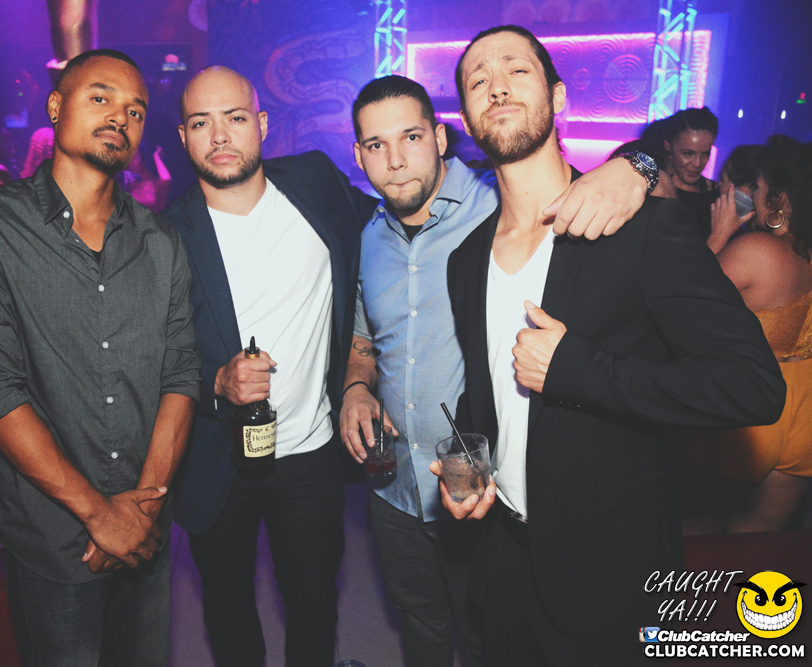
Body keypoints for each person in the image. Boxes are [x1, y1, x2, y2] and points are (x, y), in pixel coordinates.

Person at [431, 25, 785, 665]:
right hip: (502, 565)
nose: (497, 86)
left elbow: (753, 385)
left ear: (558, 97)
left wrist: (577, 369)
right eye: (478, 80)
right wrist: (470, 463)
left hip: (609, 573)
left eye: (516, 70)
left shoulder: (641, 230)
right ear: (467, 117)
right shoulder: (464, 260)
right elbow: (487, 389)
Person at [340, 75, 656, 667]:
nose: (396, 159)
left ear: (440, 138)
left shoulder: (499, 204)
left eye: (411, 136)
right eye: (376, 145)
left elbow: (584, 192)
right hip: (394, 486)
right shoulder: (369, 238)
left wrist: (635, 166)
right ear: (359, 155)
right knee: (420, 623)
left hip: (480, 487)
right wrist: (357, 385)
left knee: (491, 633)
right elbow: (365, 338)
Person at [0, 49, 200, 666]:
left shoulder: (162, 242)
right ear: (56, 107)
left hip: (146, 527)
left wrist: (140, 510)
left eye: (135, 110)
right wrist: (98, 514)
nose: (119, 117)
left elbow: (181, 374)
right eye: (100, 97)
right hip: (53, 534)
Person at [163, 65, 376, 667]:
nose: (219, 136)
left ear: (261, 124)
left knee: (314, 602)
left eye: (234, 118)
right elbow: (150, 360)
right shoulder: (163, 237)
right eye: (201, 123)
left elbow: (397, 223)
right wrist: (216, 382)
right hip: (217, 458)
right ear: (183, 137)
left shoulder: (315, 182)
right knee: (227, 605)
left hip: (309, 452)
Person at [682, 136, 812, 533]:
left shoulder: (758, 250)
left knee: (689, 528)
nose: (751, 195)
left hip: (753, 407)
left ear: (780, 200)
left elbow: (682, 304)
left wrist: (719, 234)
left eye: (757, 187)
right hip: (804, 408)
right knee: (756, 538)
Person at [663, 106, 720, 236]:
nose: (697, 163)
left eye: (705, 154)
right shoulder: (654, 191)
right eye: (688, 153)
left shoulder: (718, 196)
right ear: (668, 146)